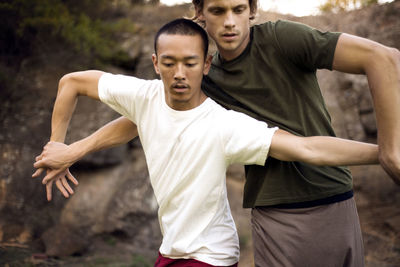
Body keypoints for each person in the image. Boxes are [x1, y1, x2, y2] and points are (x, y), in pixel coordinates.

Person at [34, 0, 400, 266]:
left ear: (252, 10)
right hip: (264, 213)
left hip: (328, 195)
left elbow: (382, 61)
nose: (229, 22)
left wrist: (388, 150)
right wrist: (69, 148)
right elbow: (144, 113)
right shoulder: (191, 78)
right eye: (218, 11)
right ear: (199, 13)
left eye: (238, 9)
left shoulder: (277, 43)